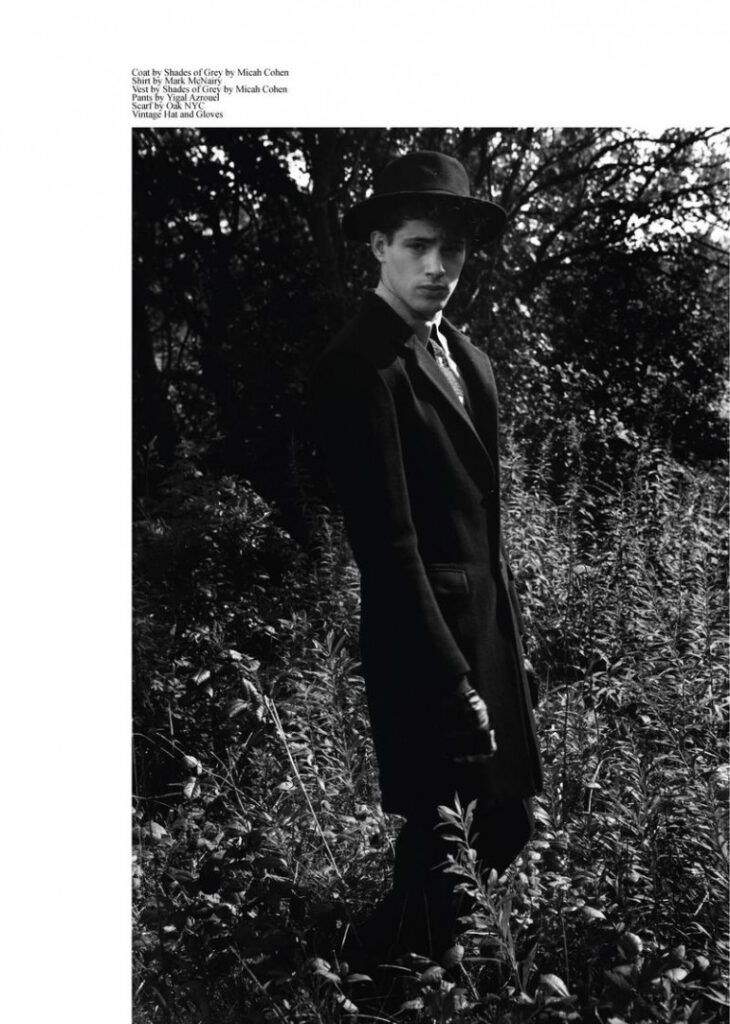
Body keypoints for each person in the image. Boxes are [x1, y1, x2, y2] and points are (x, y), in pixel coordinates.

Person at [310, 150, 542, 971]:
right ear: (379, 247)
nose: (437, 266)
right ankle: (379, 977)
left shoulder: (469, 359)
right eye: (417, 245)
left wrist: (510, 646)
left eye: (452, 248)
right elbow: (388, 546)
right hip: (424, 644)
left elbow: (483, 526)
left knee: (501, 821)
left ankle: (389, 970)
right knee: (455, 830)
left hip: (486, 633)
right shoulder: (359, 365)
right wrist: (451, 679)